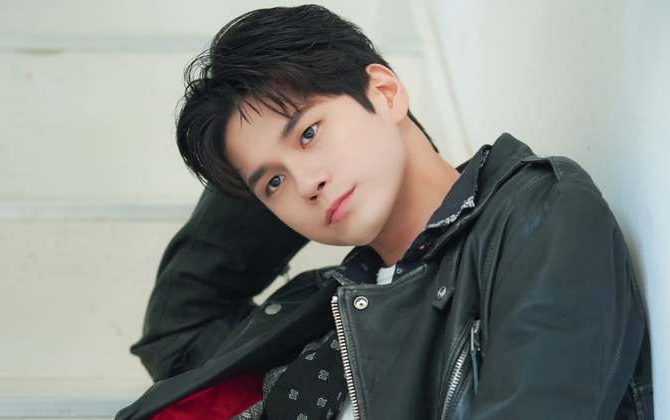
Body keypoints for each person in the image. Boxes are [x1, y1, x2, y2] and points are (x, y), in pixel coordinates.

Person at [116, 5, 653, 420]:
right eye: (274, 183)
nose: (306, 185)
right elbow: (176, 330)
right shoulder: (324, 306)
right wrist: (255, 158)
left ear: (386, 92)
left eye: (308, 132)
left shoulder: (537, 216)